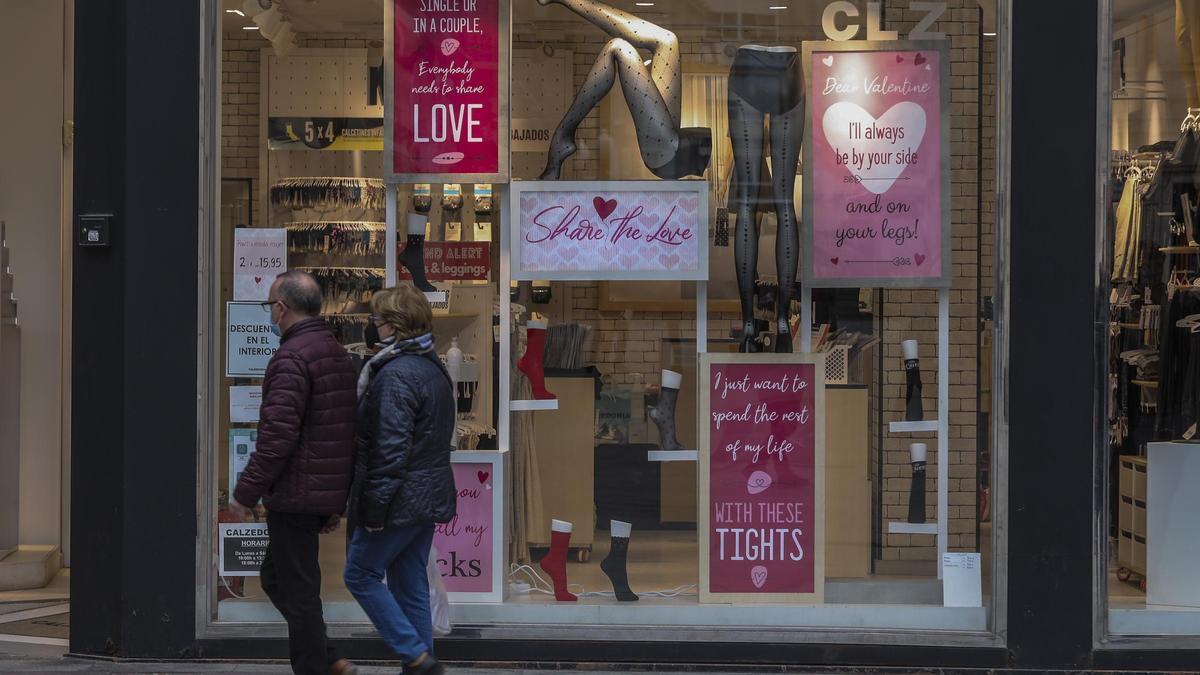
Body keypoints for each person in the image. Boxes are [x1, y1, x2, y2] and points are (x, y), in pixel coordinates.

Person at [231, 271, 359, 675]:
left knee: (300, 592)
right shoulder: (336, 353)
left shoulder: (291, 357)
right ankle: (329, 656)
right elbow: (344, 435)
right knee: (274, 576)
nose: (271, 315)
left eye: (271, 307)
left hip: (296, 492)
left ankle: (315, 667)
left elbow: (277, 437)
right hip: (314, 491)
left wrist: (245, 493)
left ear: (282, 308)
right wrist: (335, 502)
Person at [344, 283, 457, 675]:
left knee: (359, 574)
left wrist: (373, 509)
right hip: (425, 497)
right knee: (409, 585)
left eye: (376, 319)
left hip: (398, 498)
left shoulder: (394, 375)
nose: (373, 326)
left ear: (393, 324)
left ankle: (415, 655)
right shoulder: (432, 367)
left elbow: (389, 450)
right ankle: (420, 666)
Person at [537, 0, 711, 180]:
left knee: (618, 47)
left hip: (669, 153)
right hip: (675, 146)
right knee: (667, 40)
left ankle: (562, 136)